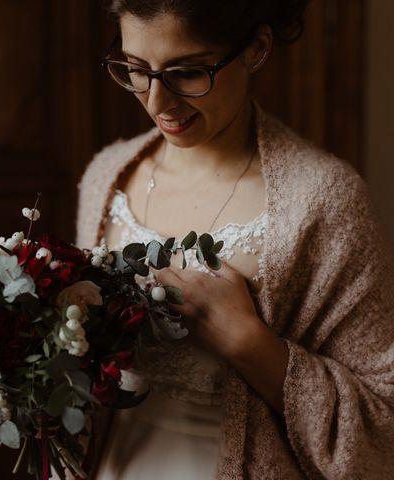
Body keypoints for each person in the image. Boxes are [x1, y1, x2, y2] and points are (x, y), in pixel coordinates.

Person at [75, 1, 394, 478]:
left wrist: (249, 343)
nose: (157, 103)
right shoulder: (106, 178)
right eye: (136, 69)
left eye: (187, 73)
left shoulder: (324, 200)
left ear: (257, 48)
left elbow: (383, 432)